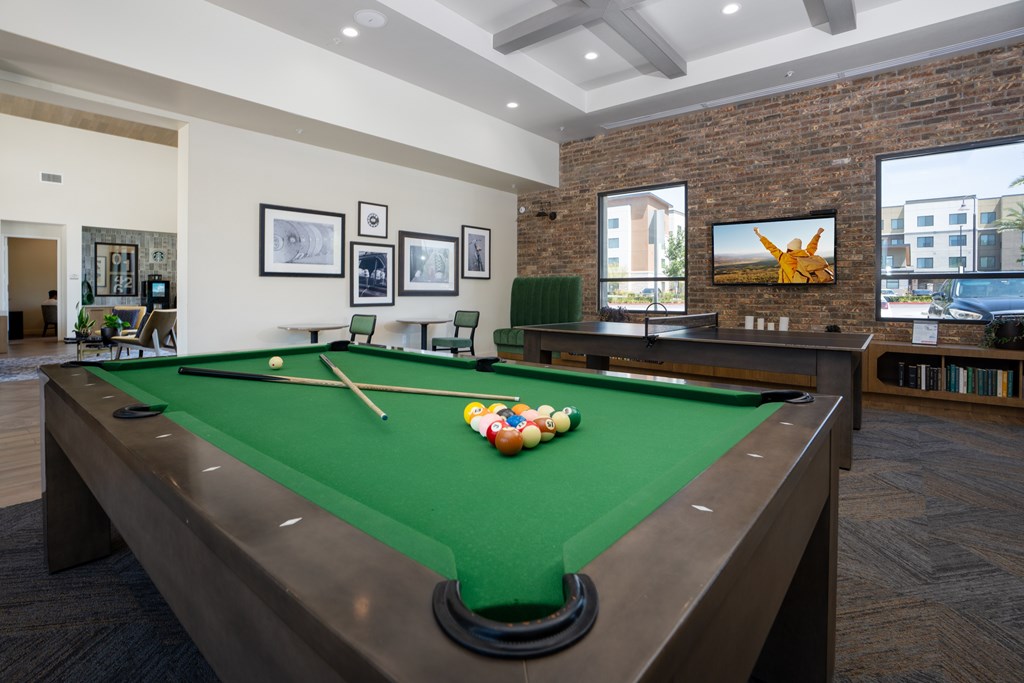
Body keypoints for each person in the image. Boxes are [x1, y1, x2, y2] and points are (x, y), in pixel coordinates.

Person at [753, 226, 828, 283]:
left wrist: (758, 234)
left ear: (788, 248)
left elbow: (770, 246)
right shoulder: (807, 254)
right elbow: (812, 246)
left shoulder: (784, 257)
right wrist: (818, 234)